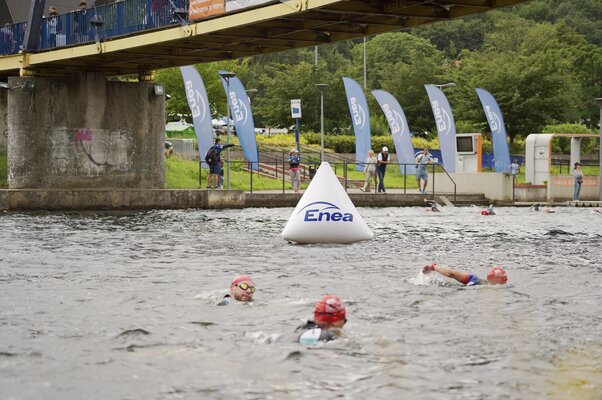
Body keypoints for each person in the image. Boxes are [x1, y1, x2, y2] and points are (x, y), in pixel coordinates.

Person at [422, 263, 508, 286]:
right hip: (473, 280)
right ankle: (433, 267)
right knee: (451, 273)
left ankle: (433, 267)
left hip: (473, 283)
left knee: (451, 274)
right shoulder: (477, 281)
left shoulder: (506, 286)